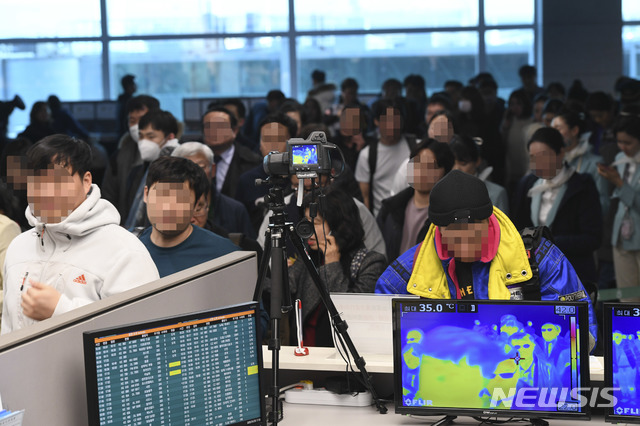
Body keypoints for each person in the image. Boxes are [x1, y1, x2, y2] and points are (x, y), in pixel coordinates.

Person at [375, 170, 597, 350]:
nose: (465, 248)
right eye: (455, 240)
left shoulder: (539, 257)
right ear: (439, 231)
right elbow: (379, 330)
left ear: (489, 222)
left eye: (473, 237)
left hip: (525, 376)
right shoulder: (412, 267)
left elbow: (586, 332)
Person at [1, 135, 159, 334]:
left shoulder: (123, 250)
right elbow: (7, 329)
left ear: (86, 181)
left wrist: (61, 310)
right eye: (36, 182)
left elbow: (142, 333)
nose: (45, 192)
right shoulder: (19, 246)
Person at [284, 188, 386, 347]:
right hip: (306, 356)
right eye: (306, 223)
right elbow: (283, 291)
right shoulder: (309, 257)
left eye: (316, 223)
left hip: (343, 359)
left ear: (338, 226)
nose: (308, 231)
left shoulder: (370, 263)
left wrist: (332, 264)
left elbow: (349, 313)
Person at [511, 127, 602, 285]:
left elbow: (592, 238)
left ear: (561, 153)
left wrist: (548, 242)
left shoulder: (582, 186)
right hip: (535, 274)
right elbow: (516, 229)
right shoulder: (527, 184)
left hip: (574, 271)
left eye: (544, 156)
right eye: (533, 157)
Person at [138, 156, 239, 278]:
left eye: (180, 199)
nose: (168, 207)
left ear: (196, 205)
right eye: (161, 195)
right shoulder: (130, 249)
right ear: (146, 194)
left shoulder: (226, 256)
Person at [377, 139, 454, 263]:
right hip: (390, 280)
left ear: (445, 171)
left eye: (430, 166)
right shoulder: (391, 208)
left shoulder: (450, 216)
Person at [171, 142, 255, 239]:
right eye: (186, 169)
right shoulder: (163, 209)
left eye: (201, 167)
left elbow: (250, 249)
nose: (195, 174)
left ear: (213, 169)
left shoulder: (235, 210)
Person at [598, 115, 640, 301]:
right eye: (619, 142)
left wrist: (619, 183)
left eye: (628, 142)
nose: (623, 147)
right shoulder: (620, 158)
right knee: (627, 296)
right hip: (621, 235)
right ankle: (629, 330)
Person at [102, 94, 160, 222]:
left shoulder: (175, 153)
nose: (137, 126)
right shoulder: (119, 157)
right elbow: (108, 198)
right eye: (132, 121)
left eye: (142, 120)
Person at [355, 99, 415, 215]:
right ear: (376, 121)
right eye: (387, 120)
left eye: (396, 120)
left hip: (411, 215)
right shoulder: (368, 155)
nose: (392, 125)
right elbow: (365, 197)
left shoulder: (415, 147)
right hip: (382, 218)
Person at [123, 109, 180, 229]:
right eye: (141, 136)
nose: (144, 142)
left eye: (151, 136)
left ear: (170, 138)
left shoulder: (180, 169)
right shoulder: (137, 172)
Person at [201, 106, 262, 199]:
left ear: (235, 131)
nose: (214, 131)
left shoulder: (252, 161)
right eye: (208, 126)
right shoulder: (193, 159)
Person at [449, 134, 509, 214]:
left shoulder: (495, 194)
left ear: (477, 161)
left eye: (463, 163)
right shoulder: (442, 192)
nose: (456, 168)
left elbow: (501, 225)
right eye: (452, 163)